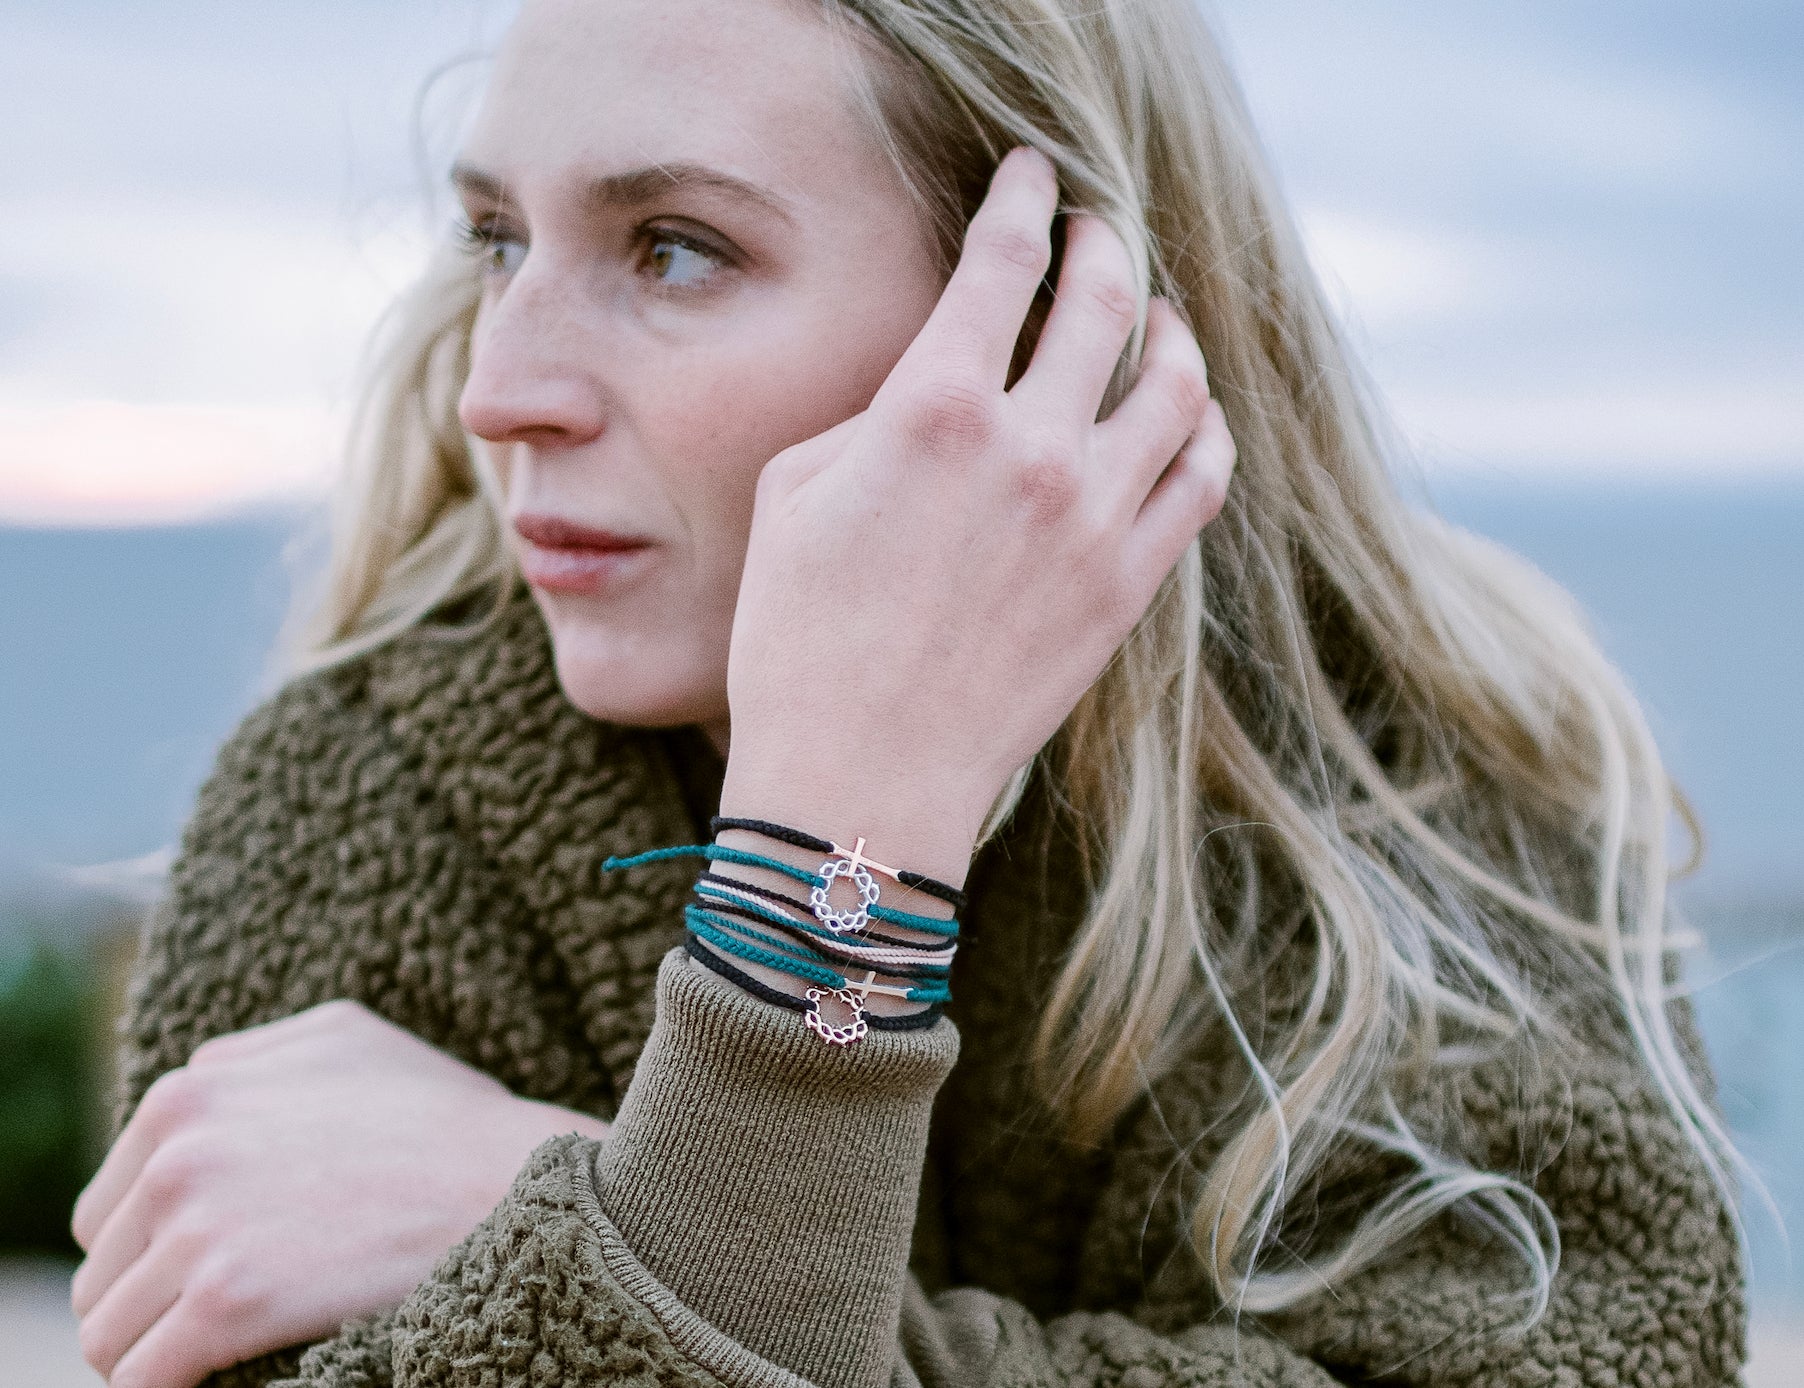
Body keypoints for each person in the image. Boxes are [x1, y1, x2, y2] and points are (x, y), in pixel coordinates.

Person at [68, 0, 1747, 1385]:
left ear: (1046, 325)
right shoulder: (375, 795)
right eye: (497, 237)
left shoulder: (1425, 820)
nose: (499, 385)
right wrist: (843, 874)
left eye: (673, 249)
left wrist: (574, 1199)